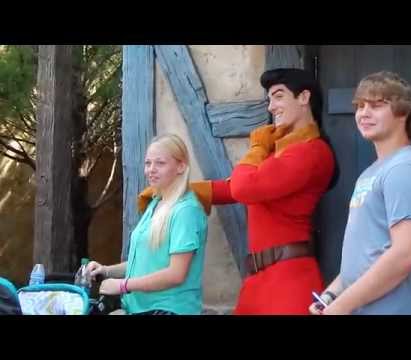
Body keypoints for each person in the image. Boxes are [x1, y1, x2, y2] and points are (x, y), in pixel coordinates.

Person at [140, 68, 337, 314]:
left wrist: (257, 146)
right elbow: (234, 187)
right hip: (259, 281)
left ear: (304, 97)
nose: (271, 107)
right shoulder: (284, 151)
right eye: (269, 99)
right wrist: (174, 191)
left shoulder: (312, 152)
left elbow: (244, 187)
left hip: (289, 282)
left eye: (278, 96)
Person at [310, 71, 411, 315]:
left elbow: (406, 253)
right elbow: (364, 256)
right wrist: (330, 296)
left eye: (376, 105)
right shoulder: (372, 172)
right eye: (360, 105)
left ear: (403, 113)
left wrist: (341, 307)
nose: (363, 113)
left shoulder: (404, 169)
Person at [87, 134, 208, 315]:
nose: (151, 169)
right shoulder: (155, 204)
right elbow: (143, 264)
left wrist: (123, 285)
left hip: (169, 309)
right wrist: (105, 271)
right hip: (139, 309)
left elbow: (176, 274)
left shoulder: (185, 211)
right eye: (148, 163)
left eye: (160, 163)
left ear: (181, 166)